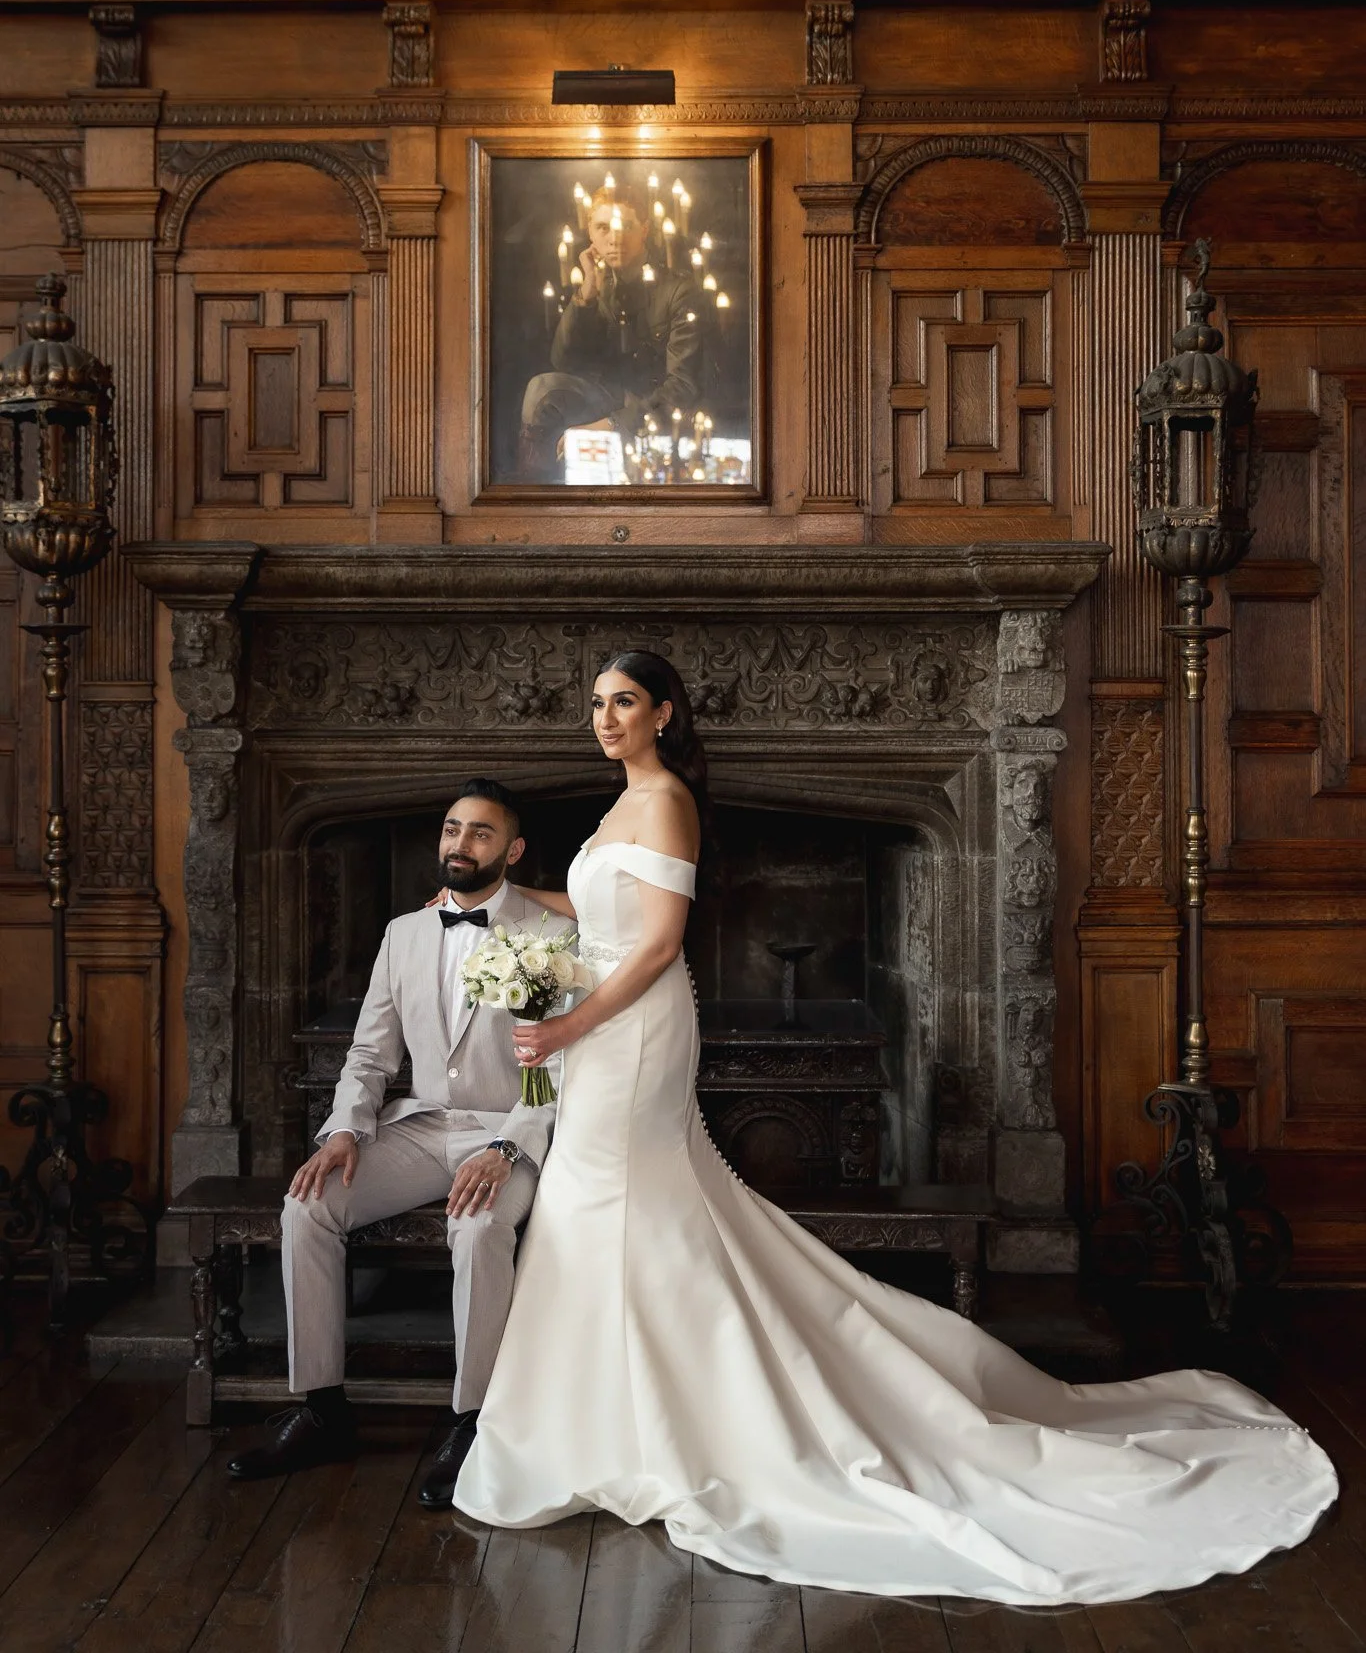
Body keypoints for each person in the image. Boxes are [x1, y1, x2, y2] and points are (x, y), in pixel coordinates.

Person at [452, 653, 1338, 1604]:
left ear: (664, 713)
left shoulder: (666, 799)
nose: (606, 717)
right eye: (596, 703)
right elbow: (593, 914)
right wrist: (502, 915)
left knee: (618, 1202)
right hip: (594, 1032)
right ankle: (600, 1421)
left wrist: (574, 1022)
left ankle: (678, 1420)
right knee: (602, 1211)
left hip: (632, 1033)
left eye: (624, 702)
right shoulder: (614, 808)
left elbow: (661, 942)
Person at [228, 778, 573, 1508]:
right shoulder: (403, 933)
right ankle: (322, 1407)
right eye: (452, 829)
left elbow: (559, 1068)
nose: (461, 843)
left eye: (480, 833)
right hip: (420, 1126)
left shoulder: (547, 938)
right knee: (307, 1204)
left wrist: (509, 1148)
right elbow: (369, 1055)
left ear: (511, 850)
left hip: (503, 1135)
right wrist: (346, 1129)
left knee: (478, 1229)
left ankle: (474, 1421)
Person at [519, 184, 702, 477]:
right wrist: (587, 293)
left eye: (626, 226)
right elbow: (564, 362)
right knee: (542, 388)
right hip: (608, 400)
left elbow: (683, 387)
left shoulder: (679, 290)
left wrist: (610, 425)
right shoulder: (597, 284)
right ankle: (535, 500)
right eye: (603, 227)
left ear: (644, 230)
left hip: (659, 411)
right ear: (590, 232)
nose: (614, 238)